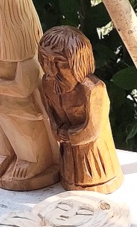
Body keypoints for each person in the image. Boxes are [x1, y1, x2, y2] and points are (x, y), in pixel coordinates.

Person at [38, 26, 122, 194]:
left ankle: (97, 180)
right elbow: (51, 115)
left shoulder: (92, 89)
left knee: (93, 172)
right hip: (68, 154)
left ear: (79, 62)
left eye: (60, 62)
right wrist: (56, 129)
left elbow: (93, 129)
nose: (51, 70)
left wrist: (69, 134)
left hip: (94, 154)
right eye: (45, 59)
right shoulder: (47, 84)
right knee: (70, 173)